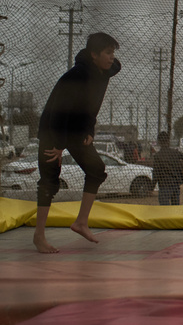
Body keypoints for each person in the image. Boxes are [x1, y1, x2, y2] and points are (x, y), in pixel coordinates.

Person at [33, 32, 121, 253]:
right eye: (107, 53)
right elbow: (59, 112)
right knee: (49, 181)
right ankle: (39, 236)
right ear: (93, 55)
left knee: (97, 169)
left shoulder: (104, 72)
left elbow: (91, 107)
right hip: (53, 130)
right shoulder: (76, 76)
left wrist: (89, 129)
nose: (112, 58)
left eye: (113, 53)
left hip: (76, 131)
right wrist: (60, 146)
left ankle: (81, 222)